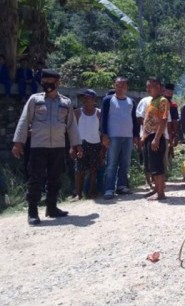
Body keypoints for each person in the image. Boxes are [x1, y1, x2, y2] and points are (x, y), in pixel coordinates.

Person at [12, 69, 83, 225]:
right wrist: (18, 142)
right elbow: (24, 121)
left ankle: (52, 208)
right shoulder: (35, 100)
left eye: (50, 82)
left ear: (57, 83)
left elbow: (71, 126)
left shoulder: (66, 102)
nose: (47, 85)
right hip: (38, 146)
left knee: (55, 178)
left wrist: (75, 144)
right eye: (44, 82)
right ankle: (32, 212)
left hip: (58, 146)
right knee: (35, 178)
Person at [100, 77, 140, 200]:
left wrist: (136, 135)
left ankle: (122, 186)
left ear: (127, 87)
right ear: (114, 86)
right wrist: (104, 134)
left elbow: (134, 119)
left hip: (127, 137)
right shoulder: (108, 100)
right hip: (113, 136)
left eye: (123, 85)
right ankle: (109, 189)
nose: (120, 87)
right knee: (112, 163)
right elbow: (103, 118)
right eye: (118, 85)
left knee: (125, 163)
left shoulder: (131, 101)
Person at [141, 77, 169, 201]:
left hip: (156, 136)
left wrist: (156, 138)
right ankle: (157, 190)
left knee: (158, 165)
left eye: (150, 86)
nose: (147, 89)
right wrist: (144, 136)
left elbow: (163, 120)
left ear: (157, 86)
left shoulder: (162, 101)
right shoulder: (152, 101)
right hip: (149, 136)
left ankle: (161, 193)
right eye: (147, 86)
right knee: (152, 165)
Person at [73, 89, 102, 200]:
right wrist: (73, 147)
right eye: (84, 98)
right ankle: (78, 194)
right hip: (81, 144)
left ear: (94, 100)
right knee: (79, 170)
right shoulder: (77, 112)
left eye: (88, 98)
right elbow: (72, 131)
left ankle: (90, 192)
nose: (85, 100)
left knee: (93, 170)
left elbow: (102, 130)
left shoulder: (99, 113)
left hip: (95, 143)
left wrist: (103, 149)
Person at [163, 83, 179, 174]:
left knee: (169, 150)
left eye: (171, 91)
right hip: (161, 130)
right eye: (168, 91)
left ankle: (167, 171)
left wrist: (175, 134)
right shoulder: (160, 102)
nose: (170, 93)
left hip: (170, 131)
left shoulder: (173, 105)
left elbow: (174, 120)